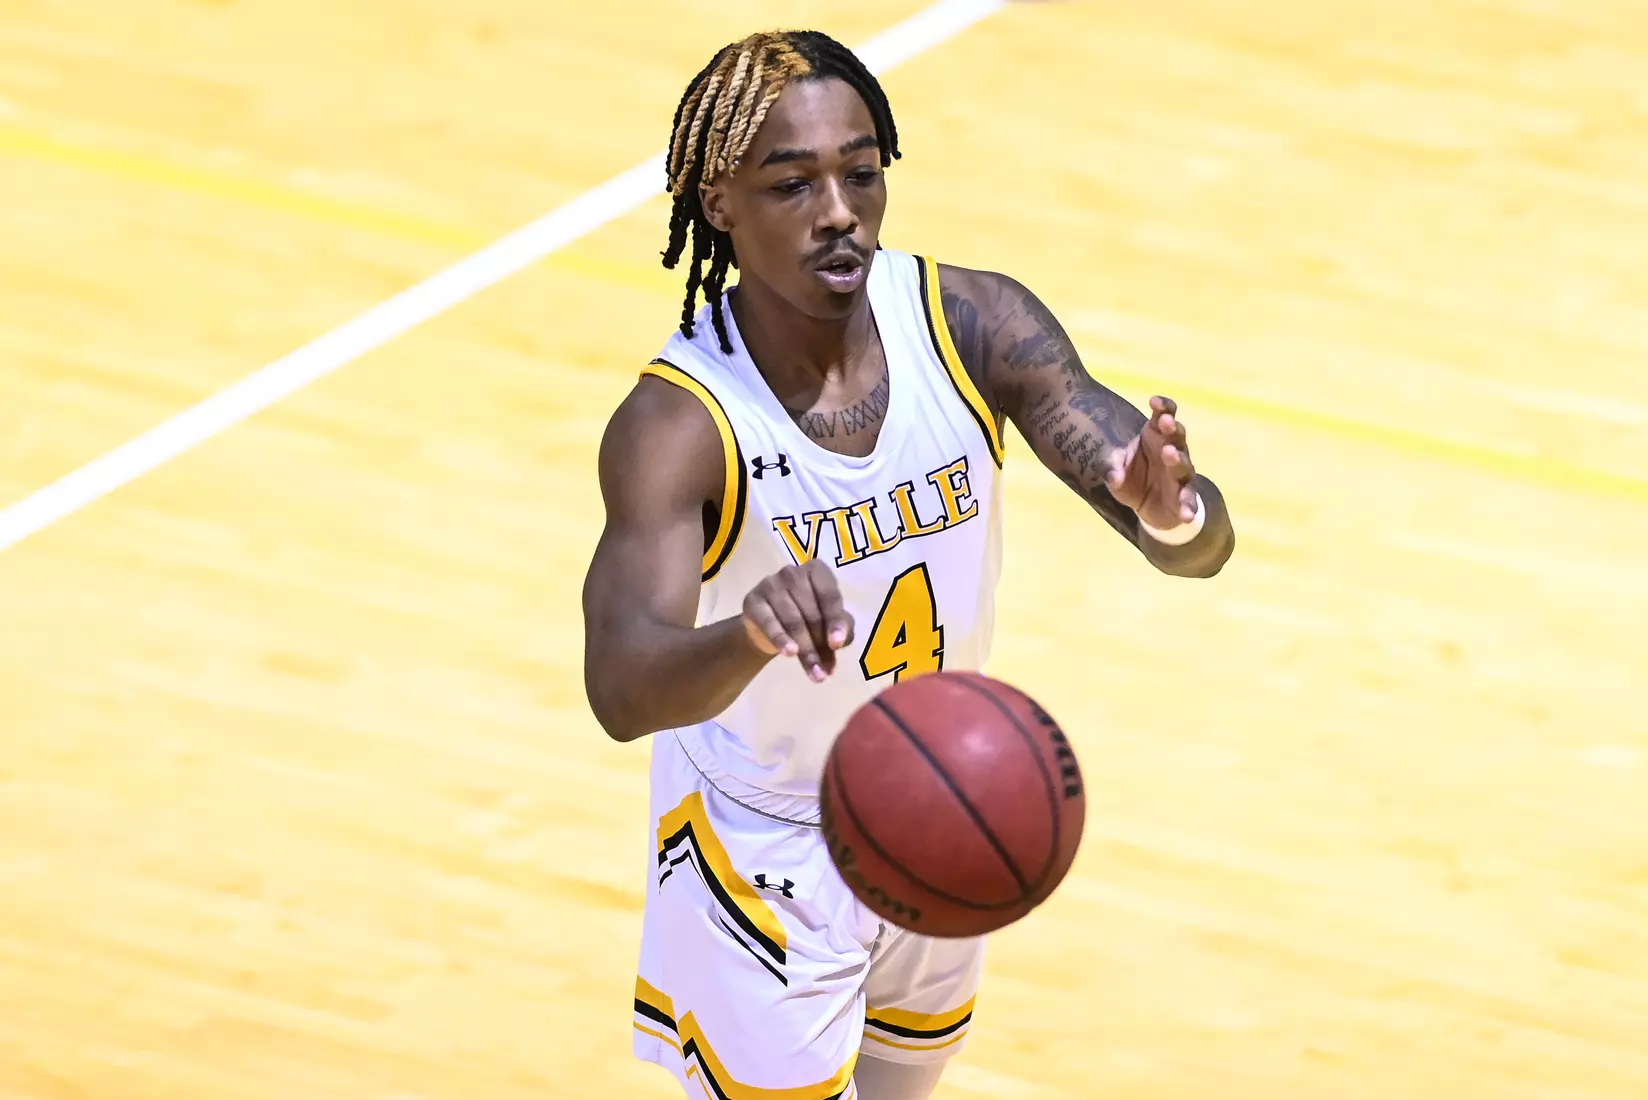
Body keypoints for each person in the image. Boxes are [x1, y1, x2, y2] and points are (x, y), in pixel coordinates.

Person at [581, 29, 1235, 1100]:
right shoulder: (680, 422)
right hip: (767, 848)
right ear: (718, 204)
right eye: (791, 183)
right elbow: (620, 686)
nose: (838, 209)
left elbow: (1198, 548)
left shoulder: (972, 323)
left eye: (860, 172)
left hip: (943, 798)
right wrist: (747, 632)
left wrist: (1173, 509)